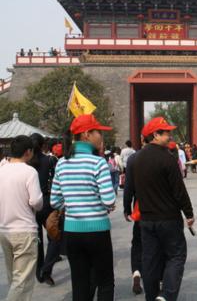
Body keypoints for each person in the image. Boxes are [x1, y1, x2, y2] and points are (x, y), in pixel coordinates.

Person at [50, 114, 116, 301]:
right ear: (87, 134)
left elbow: (54, 201)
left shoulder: (62, 163)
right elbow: (109, 200)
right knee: (104, 282)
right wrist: (100, 203)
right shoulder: (98, 162)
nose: (101, 137)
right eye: (99, 132)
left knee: (79, 283)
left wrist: (73, 202)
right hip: (98, 231)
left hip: (72, 232)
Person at [132, 117, 194, 301]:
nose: (169, 136)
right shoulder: (167, 158)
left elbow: (133, 188)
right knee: (176, 256)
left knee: (150, 260)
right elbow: (179, 190)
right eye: (166, 133)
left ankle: (151, 297)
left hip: (147, 220)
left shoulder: (136, 159)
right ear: (155, 135)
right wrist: (188, 213)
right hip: (168, 219)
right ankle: (166, 295)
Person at [0, 135, 43, 301]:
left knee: (13, 277)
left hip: (4, 229)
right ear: (28, 152)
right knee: (22, 281)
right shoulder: (29, 171)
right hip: (24, 229)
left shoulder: (1, 169)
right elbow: (36, 201)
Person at [28, 133, 59, 286]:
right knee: (55, 236)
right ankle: (47, 269)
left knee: (38, 241)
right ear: (43, 145)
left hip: (31, 206)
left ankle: (39, 270)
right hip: (47, 203)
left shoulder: (26, 164)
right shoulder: (50, 160)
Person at [123, 137, 146, 295]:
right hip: (161, 212)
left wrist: (126, 208)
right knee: (155, 246)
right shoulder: (166, 156)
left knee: (137, 243)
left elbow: (128, 187)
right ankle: (157, 278)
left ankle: (137, 273)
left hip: (140, 209)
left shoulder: (133, 159)